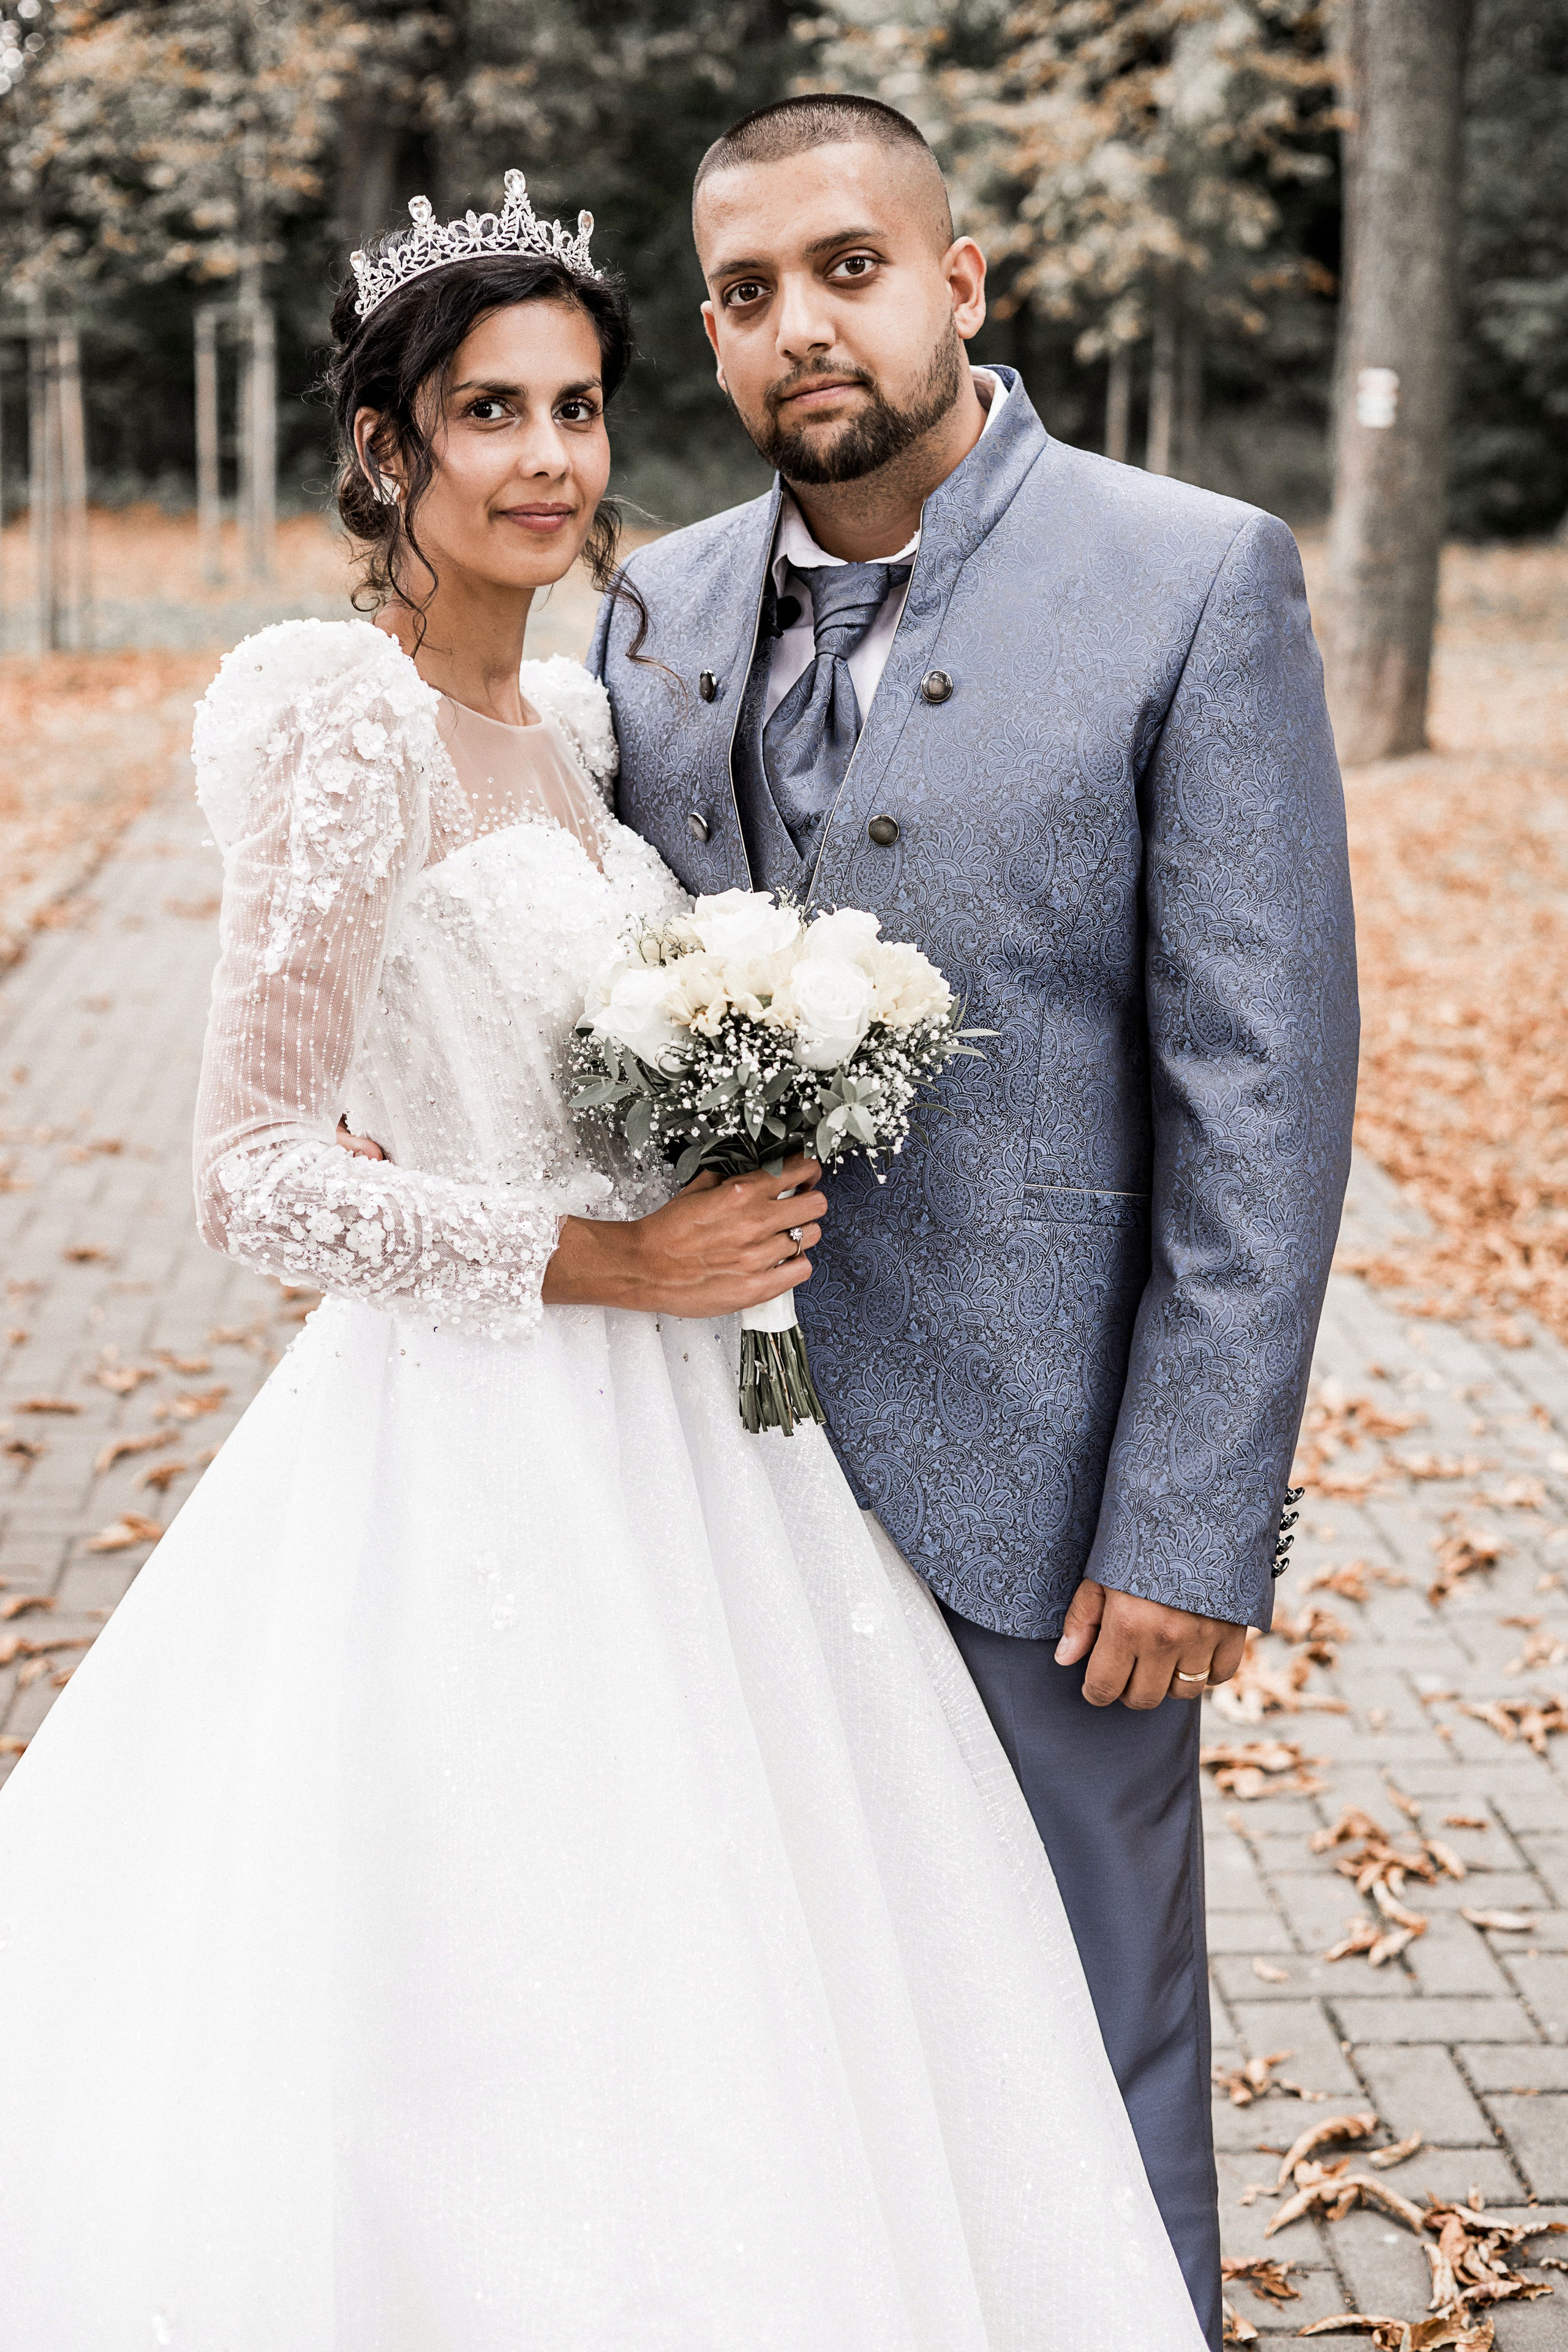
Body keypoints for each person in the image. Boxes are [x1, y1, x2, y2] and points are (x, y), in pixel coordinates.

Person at [0, 175, 1207, 2350]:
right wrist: (602, 1264)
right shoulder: (332, 715)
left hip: (705, 1449)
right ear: (390, 448)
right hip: (480, 1437)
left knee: (739, 1966)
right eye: (490, 412)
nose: (552, 458)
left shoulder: (569, 727)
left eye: (577, 407)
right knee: (499, 1995)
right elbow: (253, 1170)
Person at [592, 96, 1359, 2351]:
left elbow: (1264, 1084)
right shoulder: (657, 606)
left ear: (964, 282)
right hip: (706, 1488)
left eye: (847, 266)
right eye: (743, 293)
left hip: (1052, 1502)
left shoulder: (1193, 574)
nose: (797, 326)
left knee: (1090, 2041)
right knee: (778, 2039)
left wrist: (1199, 1512)